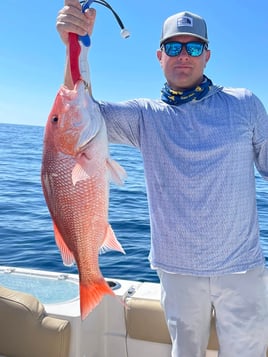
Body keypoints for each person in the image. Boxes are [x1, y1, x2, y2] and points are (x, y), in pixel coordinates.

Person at [56, 1, 268, 356]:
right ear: (159, 56)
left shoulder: (245, 104)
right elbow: (78, 110)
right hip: (177, 271)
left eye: (193, 46)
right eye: (173, 46)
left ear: (207, 55)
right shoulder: (145, 116)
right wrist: (75, 47)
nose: (183, 55)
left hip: (242, 270)